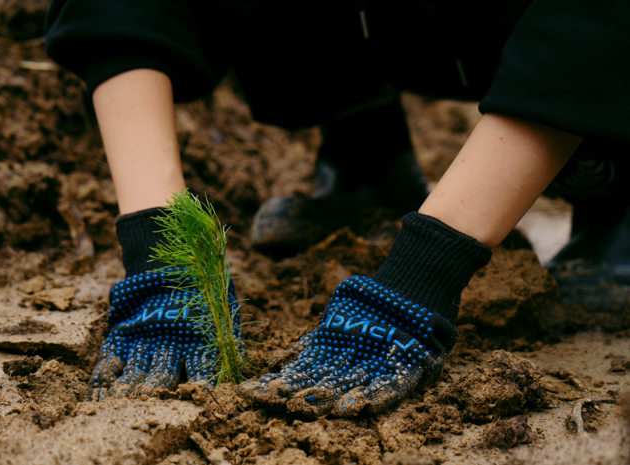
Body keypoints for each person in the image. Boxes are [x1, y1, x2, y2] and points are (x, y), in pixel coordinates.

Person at [44, 0, 630, 416]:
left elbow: (594, 21)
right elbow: (116, 10)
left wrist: (425, 274)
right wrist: (159, 246)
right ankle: (364, 148)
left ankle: (608, 186)